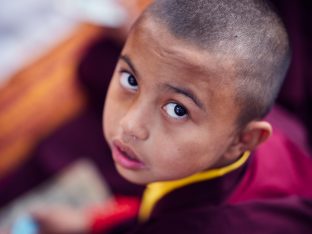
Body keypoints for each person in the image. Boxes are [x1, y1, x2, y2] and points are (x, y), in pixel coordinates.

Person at [29, 0, 312, 233]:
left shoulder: (195, 226)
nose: (129, 125)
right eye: (130, 80)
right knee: (96, 60)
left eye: (178, 110)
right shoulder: (270, 121)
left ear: (244, 139)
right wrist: (89, 221)